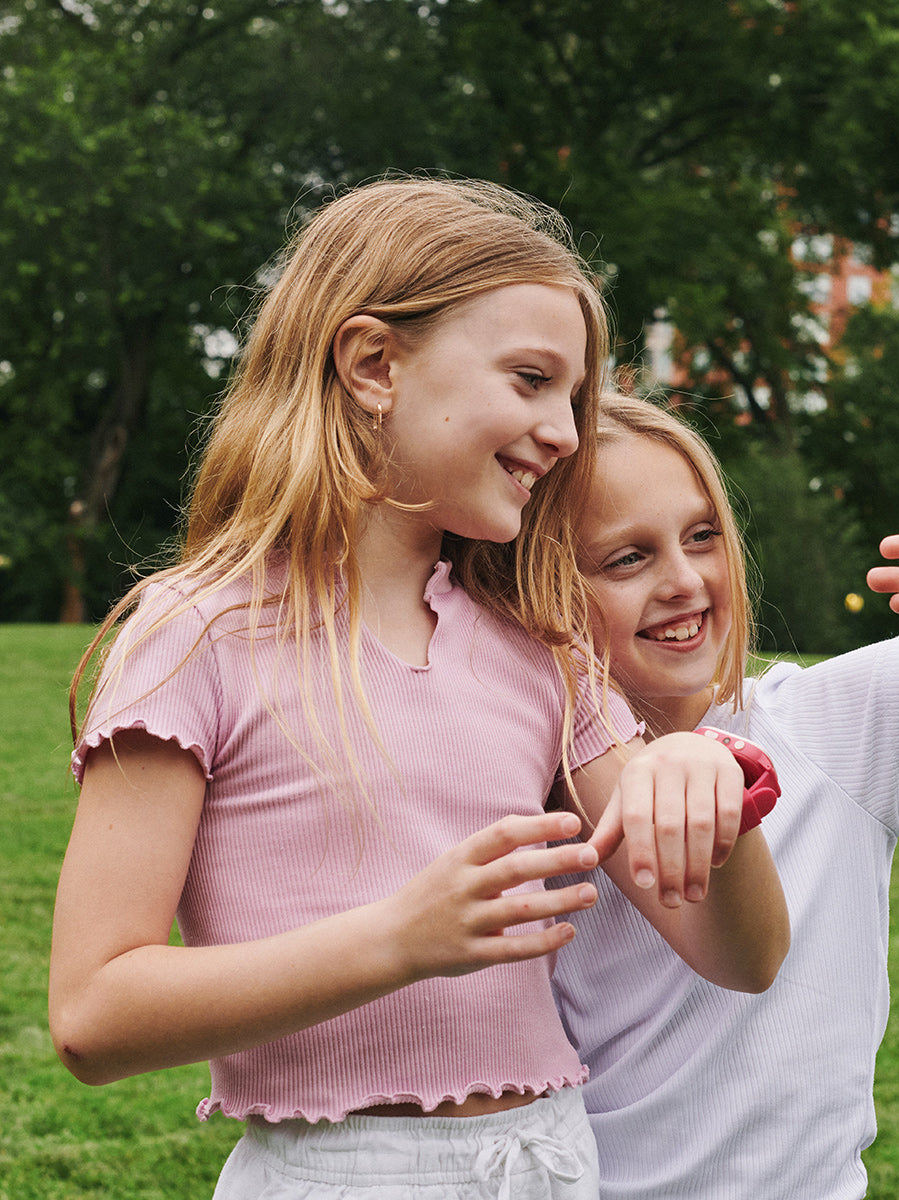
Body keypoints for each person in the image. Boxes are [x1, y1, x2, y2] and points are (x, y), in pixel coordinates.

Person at [48, 182, 788, 1200]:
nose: (568, 433)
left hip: (550, 1160)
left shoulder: (543, 650)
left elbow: (738, 957)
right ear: (373, 365)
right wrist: (397, 940)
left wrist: (717, 784)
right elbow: (94, 1014)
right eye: (531, 380)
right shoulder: (198, 634)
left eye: (571, 399)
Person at [550, 392, 899, 1199]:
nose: (684, 580)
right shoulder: (531, 778)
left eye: (703, 536)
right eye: (627, 558)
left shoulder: (825, 720)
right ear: (543, 589)